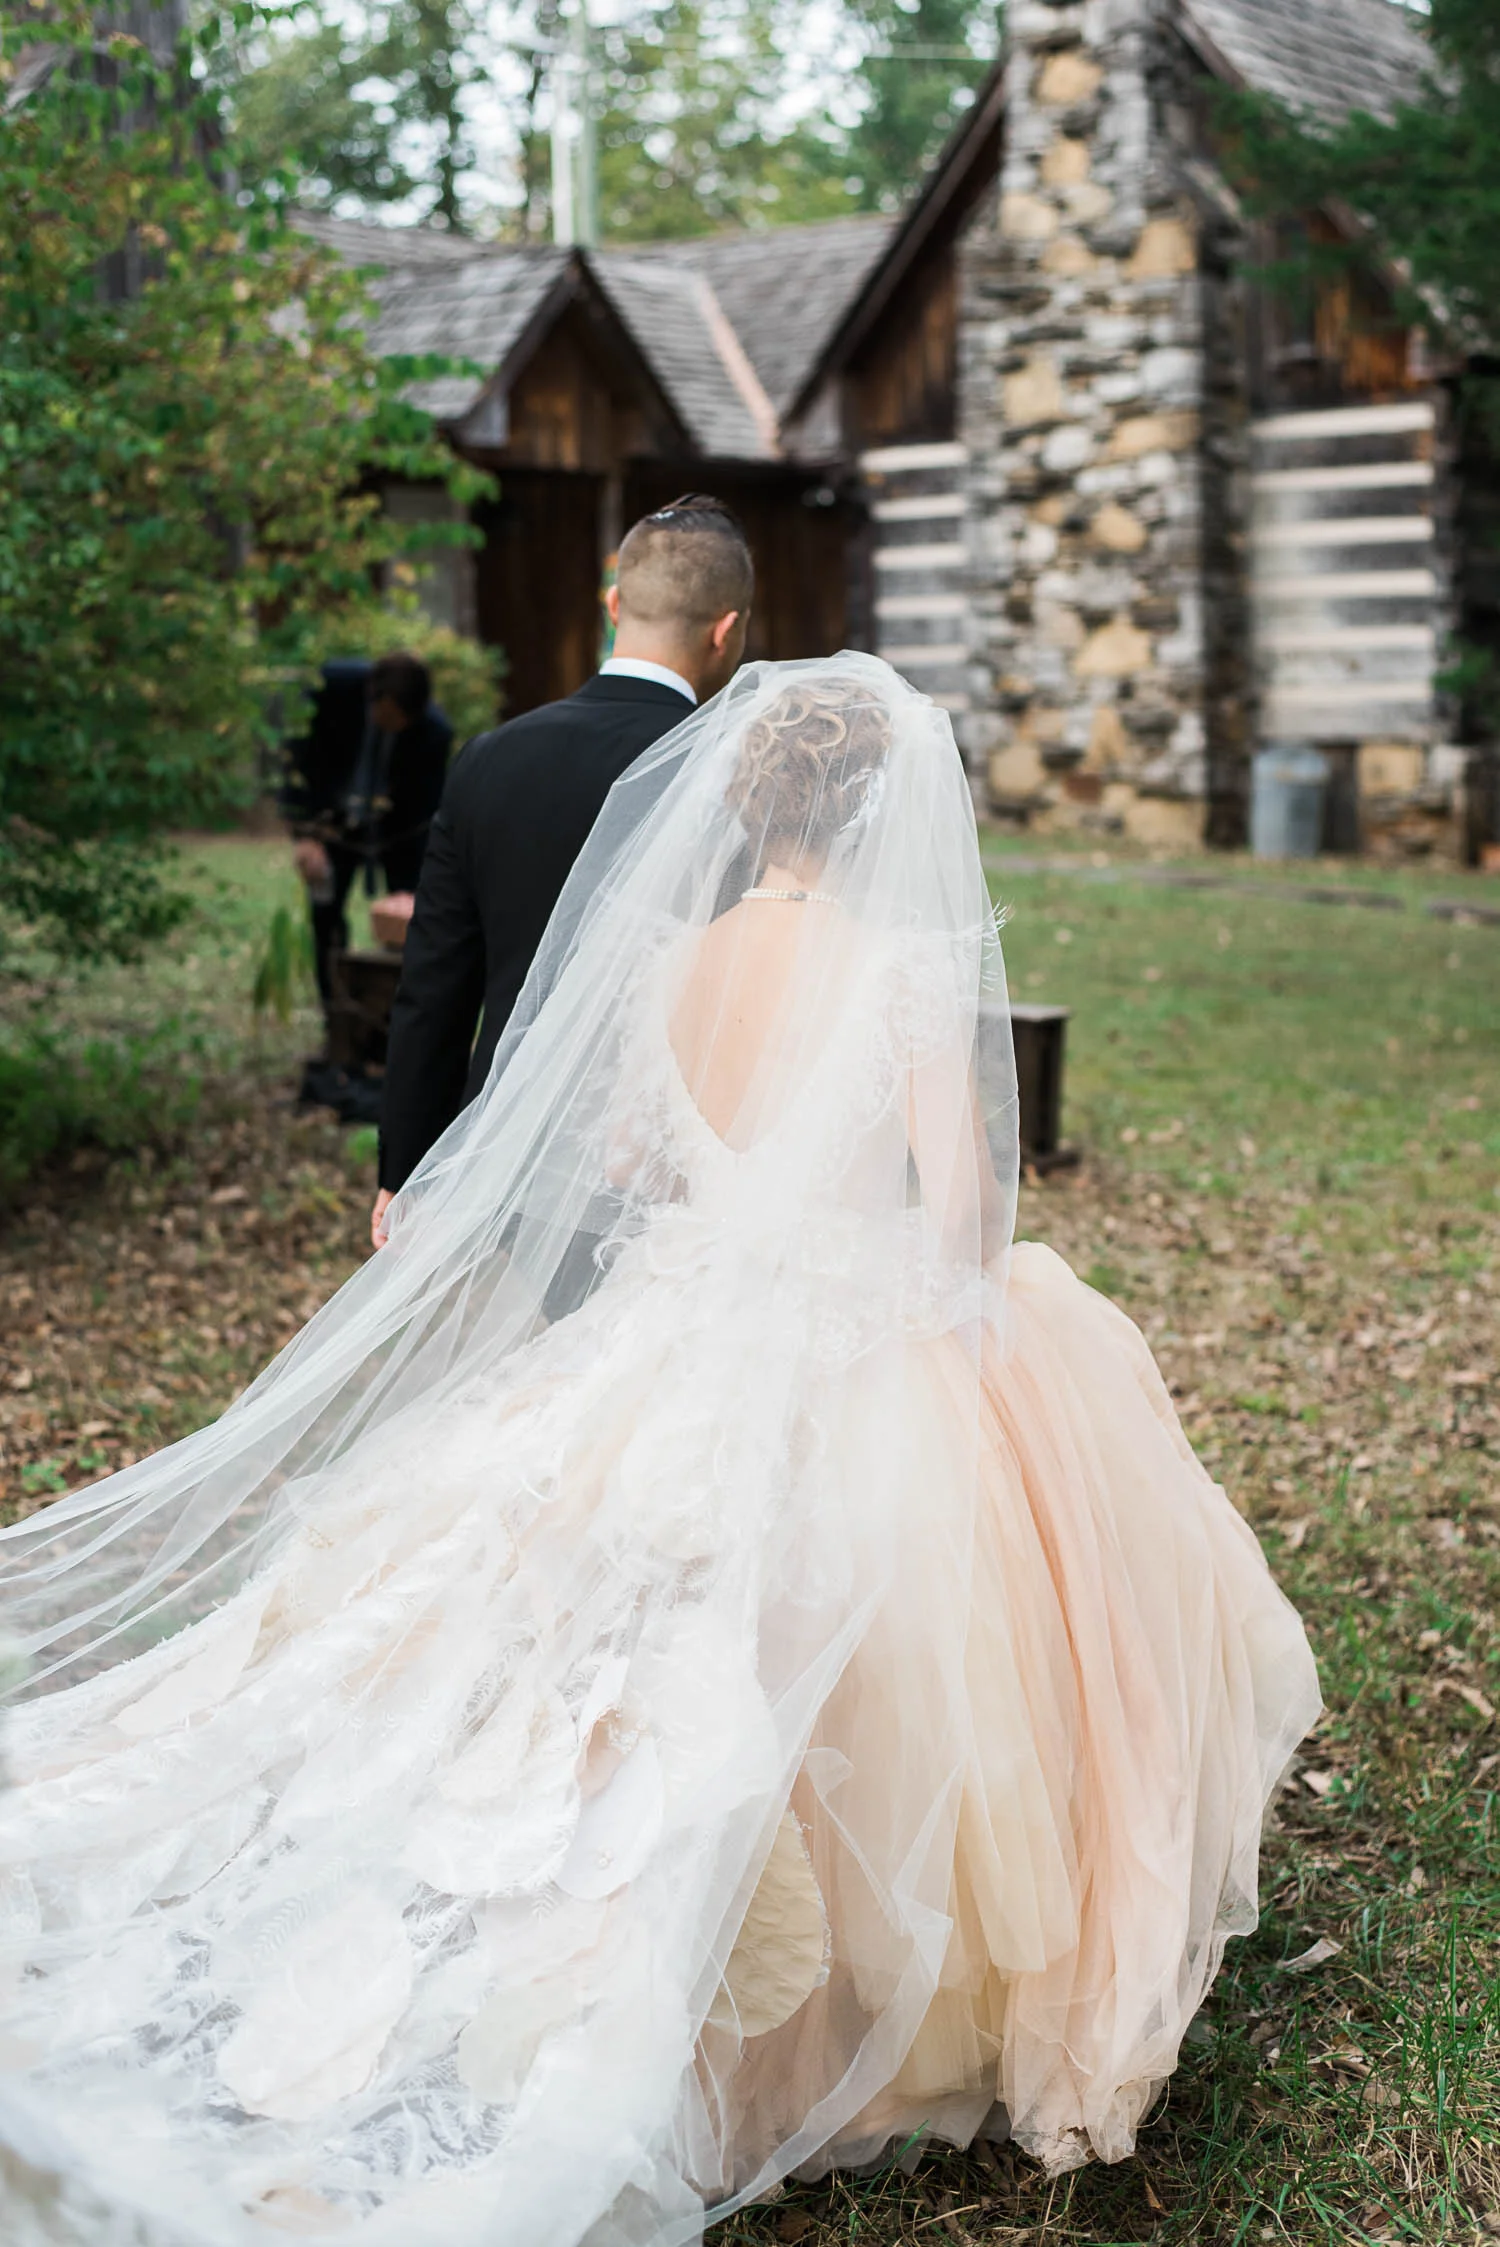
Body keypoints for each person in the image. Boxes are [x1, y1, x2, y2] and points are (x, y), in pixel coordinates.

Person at [0, 658, 1320, 2242]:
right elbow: (965, 1207)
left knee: (601, 1630)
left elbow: (626, 1154)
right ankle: (825, 2010)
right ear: (883, 811)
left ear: (747, 802)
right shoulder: (898, 971)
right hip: (842, 1319)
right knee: (887, 1632)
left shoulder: (679, 954)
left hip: (679, 1317)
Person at [373, 493, 753, 1250]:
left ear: (615, 605)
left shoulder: (489, 760)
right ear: (727, 630)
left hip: (514, 1163)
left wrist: (406, 1167)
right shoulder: (736, 773)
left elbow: (435, 984)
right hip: (675, 1175)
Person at [284, 652, 454, 1011]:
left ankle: (395, 1018)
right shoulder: (330, 691)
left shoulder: (434, 733)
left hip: (398, 834)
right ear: (375, 698)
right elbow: (298, 762)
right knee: (325, 916)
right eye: (392, 715)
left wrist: (416, 884)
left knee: (410, 924)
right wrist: (305, 834)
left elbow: (426, 813)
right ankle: (337, 1012)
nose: (397, 725)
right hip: (331, 826)